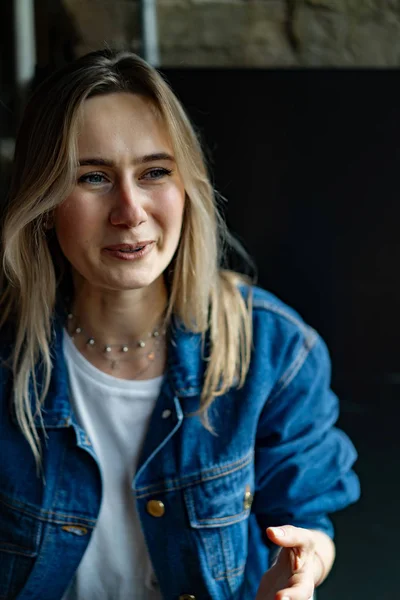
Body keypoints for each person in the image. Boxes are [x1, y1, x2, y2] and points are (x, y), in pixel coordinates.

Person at [0, 49, 359, 600]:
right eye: (93, 176)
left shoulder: (276, 349)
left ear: (187, 186)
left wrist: (304, 565)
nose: (130, 211)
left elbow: (310, 521)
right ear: (44, 199)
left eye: (155, 173)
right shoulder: (7, 353)